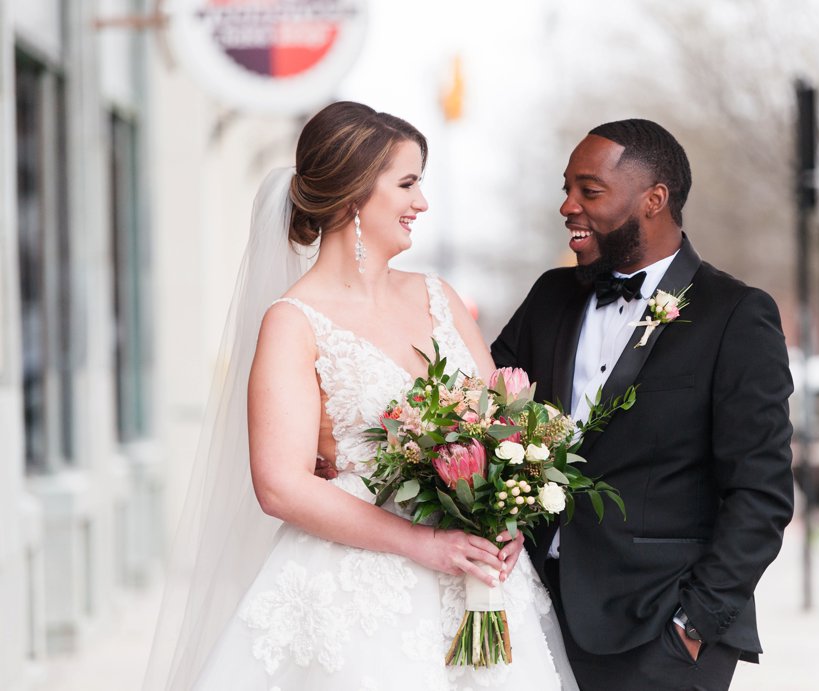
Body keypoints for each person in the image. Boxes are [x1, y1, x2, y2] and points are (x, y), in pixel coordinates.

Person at [144, 102, 576, 690]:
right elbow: (280, 484)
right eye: (407, 183)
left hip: (481, 582)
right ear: (352, 195)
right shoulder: (294, 322)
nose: (421, 202)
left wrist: (507, 518)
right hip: (357, 593)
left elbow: (501, 428)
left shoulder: (440, 296)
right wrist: (426, 545)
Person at [490, 118, 795, 691]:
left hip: (661, 632)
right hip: (536, 620)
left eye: (589, 190)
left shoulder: (736, 315)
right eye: (566, 189)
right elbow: (477, 406)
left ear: (654, 199)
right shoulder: (549, 296)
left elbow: (761, 492)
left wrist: (696, 623)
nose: (568, 206)